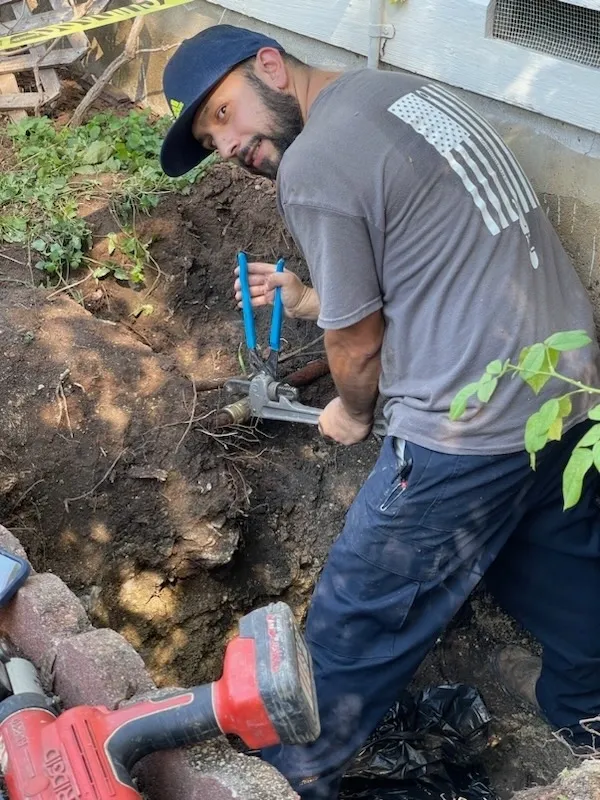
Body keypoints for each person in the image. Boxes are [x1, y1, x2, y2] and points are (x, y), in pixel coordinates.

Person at [159, 24, 600, 798]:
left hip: (465, 425)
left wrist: (352, 413)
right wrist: (303, 300)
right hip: (561, 389)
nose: (226, 145)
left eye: (224, 115)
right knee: (563, 567)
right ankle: (583, 720)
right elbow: (426, 269)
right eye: (209, 138)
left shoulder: (317, 162)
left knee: (357, 617)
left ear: (270, 65)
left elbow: (358, 346)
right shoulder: (398, 94)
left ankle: (289, 778)